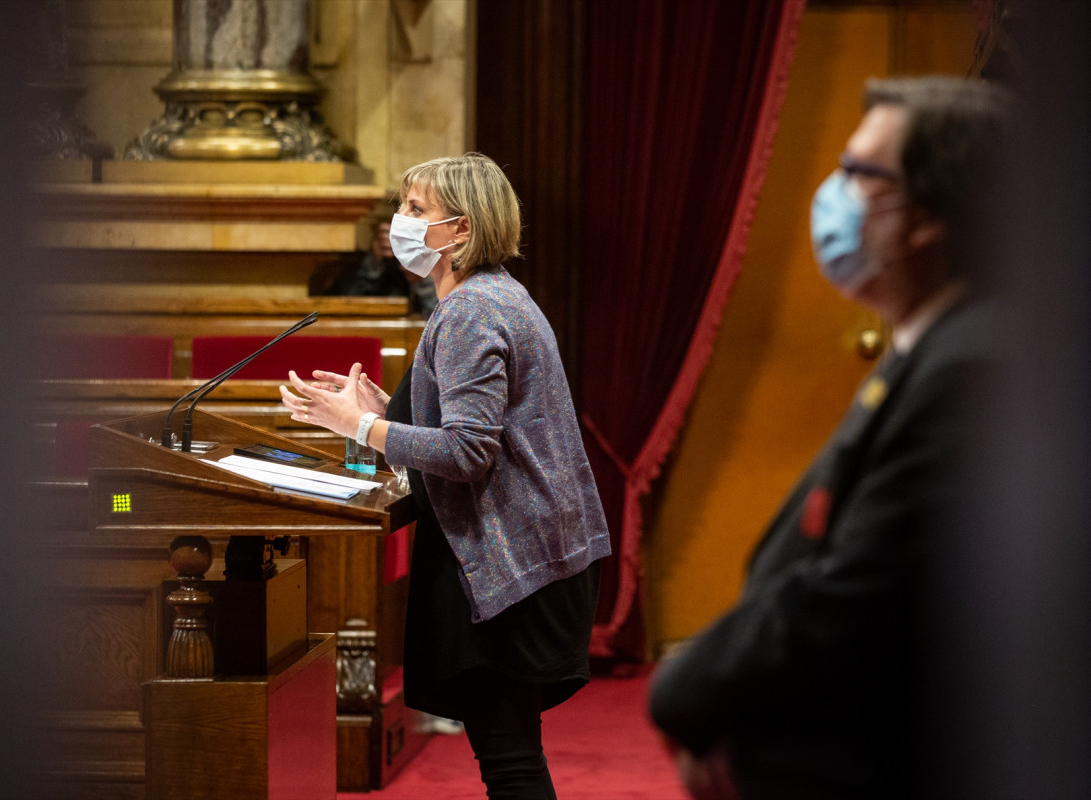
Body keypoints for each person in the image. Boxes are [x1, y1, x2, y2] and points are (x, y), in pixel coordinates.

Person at [648, 76, 1016, 799]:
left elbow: (860, 591)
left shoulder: (973, 362)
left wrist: (690, 690)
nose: (833, 194)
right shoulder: (933, 345)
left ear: (927, 215)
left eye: (859, 174)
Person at [281, 152, 612, 799]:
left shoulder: (469, 311)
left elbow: (467, 452)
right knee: (512, 750)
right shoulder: (495, 296)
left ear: (459, 230)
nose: (399, 222)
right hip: (532, 558)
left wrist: (361, 429)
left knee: (509, 758)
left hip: (506, 567)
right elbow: (475, 425)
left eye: (414, 210)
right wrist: (387, 411)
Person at [320, 219, 439, 319]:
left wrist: (420, 276)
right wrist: (373, 264)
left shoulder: (431, 262)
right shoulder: (351, 265)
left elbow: (438, 319)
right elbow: (342, 307)